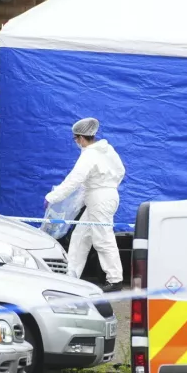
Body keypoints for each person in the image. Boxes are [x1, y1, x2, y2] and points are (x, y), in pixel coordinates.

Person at [45, 117, 126, 292]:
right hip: (108, 195)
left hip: (99, 199)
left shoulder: (89, 154)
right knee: (80, 237)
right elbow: (121, 171)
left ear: (81, 138)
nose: (76, 142)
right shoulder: (107, 149)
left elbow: (75, 179)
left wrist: (53, 197)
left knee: (103, 239)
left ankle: (115, 280)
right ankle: (71, 276)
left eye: (76, 139)